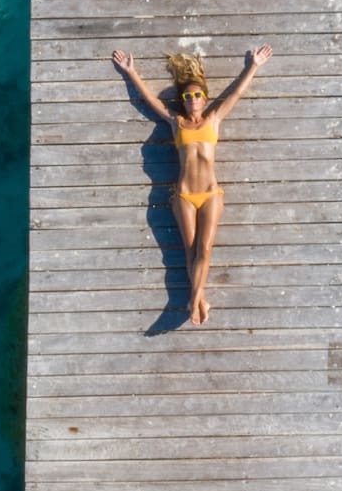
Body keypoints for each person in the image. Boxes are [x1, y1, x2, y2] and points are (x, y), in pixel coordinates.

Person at [111, 44, 273, 325]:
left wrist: (253, 66)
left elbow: (235, 94)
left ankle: (195, 298)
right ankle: (199, 299)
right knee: (190, 250)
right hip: (184, 195)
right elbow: (150, 100)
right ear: (183, 101)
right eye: (188, 96)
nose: (193, 99)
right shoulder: (177, 123)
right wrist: (131, 72)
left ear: (205, 98)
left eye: (197, 95)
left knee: (205, 248)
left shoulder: (214, 119)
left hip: (210, 194)